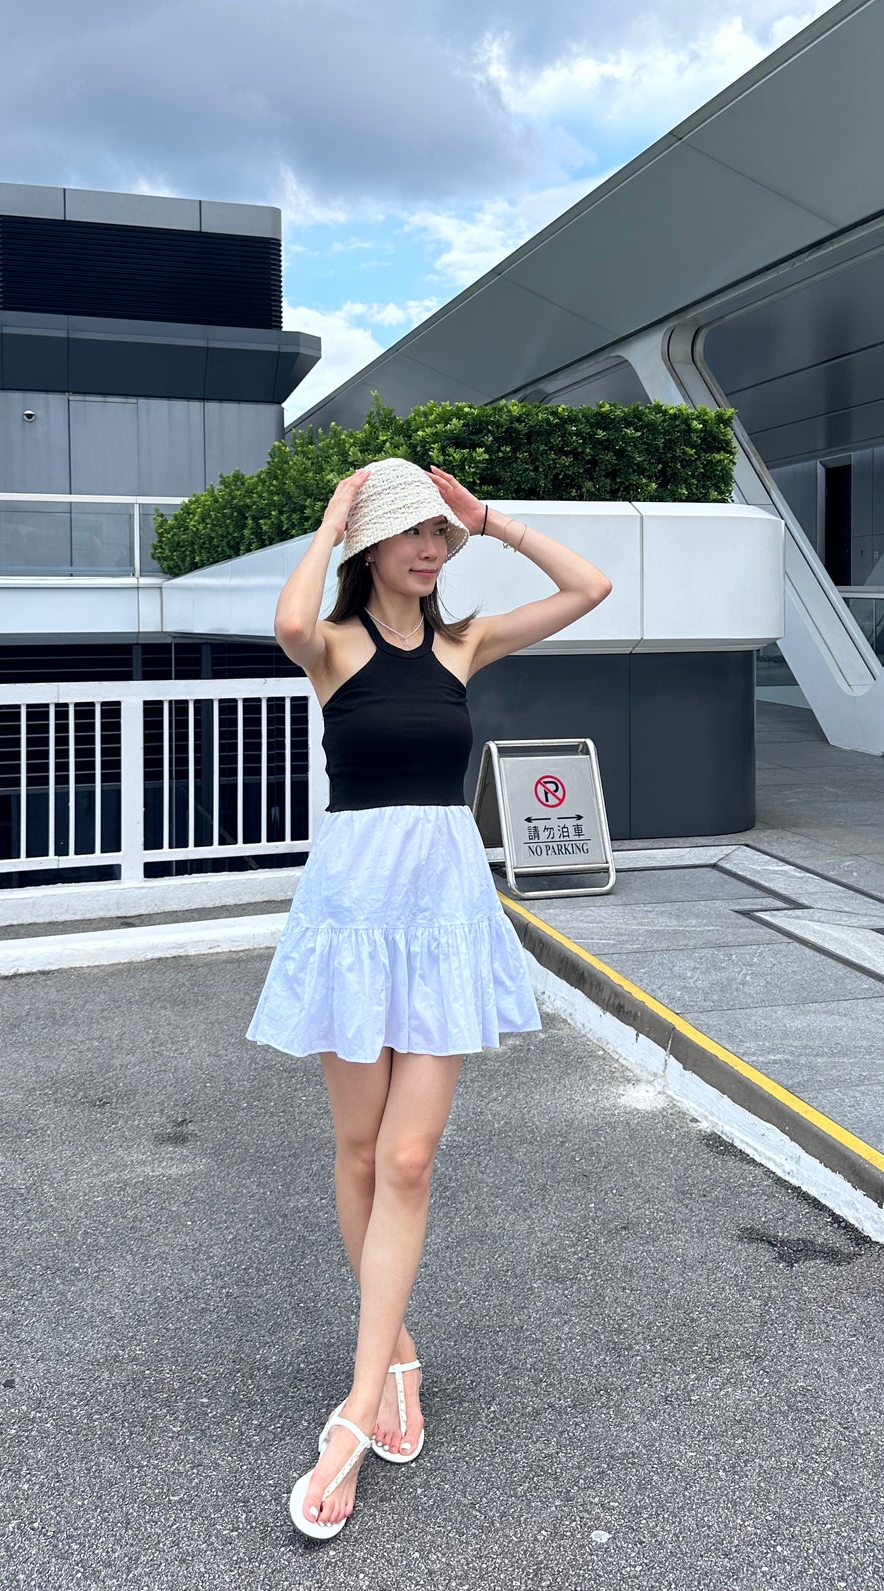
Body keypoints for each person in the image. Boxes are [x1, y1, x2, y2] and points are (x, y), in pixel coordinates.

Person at [248, 455, 612, 1540]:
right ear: (369, 547)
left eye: (436, 537)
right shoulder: (335, 647)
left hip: (444, 911)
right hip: (356, 914)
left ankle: (355, 1410)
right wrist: (328, 520)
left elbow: (589, 587)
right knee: (358, 1152)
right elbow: (285, 621)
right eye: (409, 533)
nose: (428, 549)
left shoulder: (462, 643)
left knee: (408, 1158)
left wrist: (489, 518)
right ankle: (395, 1352)